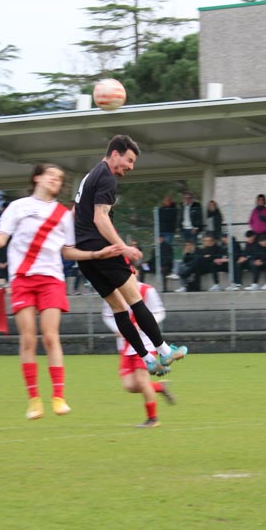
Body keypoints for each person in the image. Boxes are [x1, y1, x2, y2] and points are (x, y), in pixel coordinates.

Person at [0, 163, 118, 419]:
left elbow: (68, 251)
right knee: (28, 339)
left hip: (51, 279)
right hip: (22, 279)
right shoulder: (18, 207)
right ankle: (34, 399)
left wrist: (96, 254)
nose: (56, 179)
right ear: (37, 178)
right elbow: (0, 240)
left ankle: (58, 396)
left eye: (60, 178)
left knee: (51, 337)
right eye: (51, 175)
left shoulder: (63, 214)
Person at [73, 134, 187, 375]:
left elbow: (75, 213)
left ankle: (147, 359)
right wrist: (123, 247)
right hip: (105, 250)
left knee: (119, 309)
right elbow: (100, 218)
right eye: (130, 160)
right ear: (115, 154)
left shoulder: (89, 176)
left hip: (86, 256)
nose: (131, 167)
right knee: (136, 301)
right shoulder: (106, 177)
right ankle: (164, 350)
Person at [101, 273, 176, 428]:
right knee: (130, 386)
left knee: (142, 381)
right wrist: (117, 329)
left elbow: (160, 312)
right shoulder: (112, 291)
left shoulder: (147, 290)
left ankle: (152, 419)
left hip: (146, 342)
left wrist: (142, 325)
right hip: (125, 344)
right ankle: (159, 387)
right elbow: (107, 315)